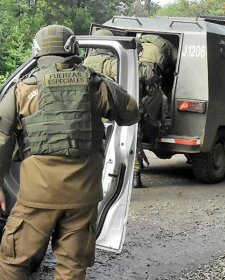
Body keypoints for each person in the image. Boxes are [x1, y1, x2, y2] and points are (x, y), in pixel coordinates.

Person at [0, 24, 139, 279]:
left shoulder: (22, 90)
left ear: (38, 52)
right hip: (83, 198)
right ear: (73, 49)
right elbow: (131, 112)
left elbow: (1, 139)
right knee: (73, 266)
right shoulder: (96, 85)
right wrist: (99, 80)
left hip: (37, 197)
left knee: (13, 260)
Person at [134, 34, 177, 188]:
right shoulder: (143, 68)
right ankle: (135, 176)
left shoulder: (115, 61)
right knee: (134, 139)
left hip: (110, 109)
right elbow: (155, 92)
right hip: (132, 107)